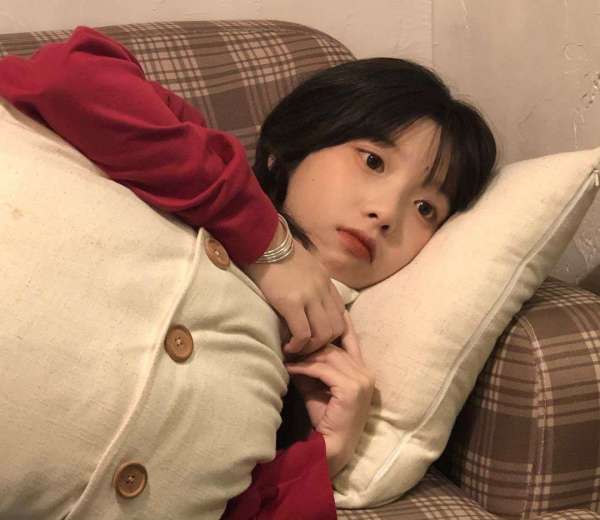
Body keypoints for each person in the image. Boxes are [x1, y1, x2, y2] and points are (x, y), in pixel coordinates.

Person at [0, 27, 496, 518]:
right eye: (372, 161)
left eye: (426, 209)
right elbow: (68, 75)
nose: (387, 212)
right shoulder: (193, 168)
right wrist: (266, 243)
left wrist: (327, 454)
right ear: (290, 150)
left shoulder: (300, 381)